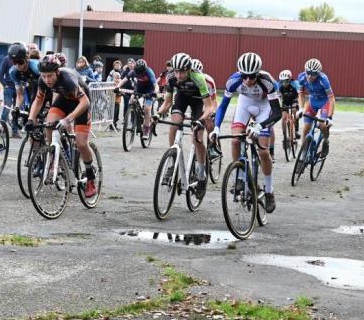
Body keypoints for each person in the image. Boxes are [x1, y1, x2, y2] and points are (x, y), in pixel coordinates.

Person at [210, 52, 281, 213]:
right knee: (235, 140)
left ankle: (269, 191)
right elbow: (222, 107)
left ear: (258, 73)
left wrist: (259, 126)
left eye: (252, 76)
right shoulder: (233, 80)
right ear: (239, 73)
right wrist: (216, 128)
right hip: (245, 103)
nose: (248, 80)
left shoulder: (268, 82)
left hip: (265, 106)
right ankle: (240, 179)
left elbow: (277, 113)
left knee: (263, 151)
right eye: (245, 76)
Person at [23, 55, 98, 198]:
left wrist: (68, 119)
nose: (47, 80)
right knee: (49, 125)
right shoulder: (43, 81)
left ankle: (90, 176)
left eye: (50, 76)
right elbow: (39, 100)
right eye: (44, 76)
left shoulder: (67, 79)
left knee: (81, 144)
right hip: (64, 100)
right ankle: (54, 156)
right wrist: (31, 119)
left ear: (57, 72)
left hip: (81, 103)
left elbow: (85, 102)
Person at [155, 53, 213, 199]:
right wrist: (157, 114)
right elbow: (167, 103)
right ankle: (172, 160)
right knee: (174, 125)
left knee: (197, 138)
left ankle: (201, 174)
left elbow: (209, 107)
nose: (179, 75)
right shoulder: (171, 78)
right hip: (182, 98)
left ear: (189, 70)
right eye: (176, 71)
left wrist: (201, 121)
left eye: (182, 72)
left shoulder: (199, 78)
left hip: (198, 101)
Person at [297, 58, 335, 158]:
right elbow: (301, 93)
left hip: (324, 102)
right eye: (308, 73)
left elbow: (331, 99)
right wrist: (301, 108)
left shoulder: (323, 80)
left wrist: (330, 117)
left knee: (322, 125)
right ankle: (303, 154)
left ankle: (326, 141)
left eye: (313, 74)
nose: (309, 76)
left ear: (318, 73)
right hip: (312, 102)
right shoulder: (301, 77)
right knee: (306, 128)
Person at [116, 58, 158, 138]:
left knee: (147, 108)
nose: (139, 74)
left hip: (149, 90)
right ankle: (136, 120)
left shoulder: (149, 72)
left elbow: (156, 85)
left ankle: (146, 130)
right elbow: (124, 79)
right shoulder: (133, 71)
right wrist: (117, 87)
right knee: (132, 101)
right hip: (139, 88)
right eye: (137, 73)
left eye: (141, 73)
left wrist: (155, 92)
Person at [107, 59, 123, 130]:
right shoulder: (111, 73)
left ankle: (115, 125)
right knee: (113, 111)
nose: (118, 66)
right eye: (116, 65)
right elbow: (108, 82)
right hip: (113, 96)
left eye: (119, 65)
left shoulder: (121, 72)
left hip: (118, 97)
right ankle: (112, 125)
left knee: (117, 112)